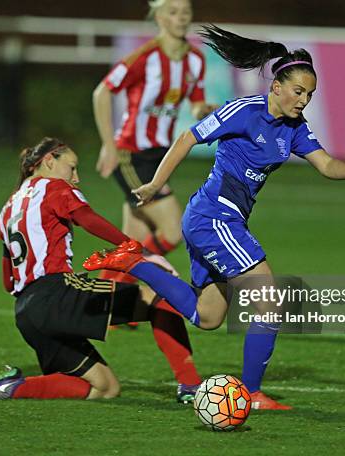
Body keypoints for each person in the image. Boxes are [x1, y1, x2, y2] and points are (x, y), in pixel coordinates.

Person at [123, 25, 345, 410]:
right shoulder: (244, 111)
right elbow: (189, 137)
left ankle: (133, 262)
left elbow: (325, 166)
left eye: (309, 94)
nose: (303, 100)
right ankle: (251, 393)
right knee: (270, 303)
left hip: (222, 220)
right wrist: (156, 184)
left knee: (207, 316)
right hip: (213, 216)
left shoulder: (294, 130)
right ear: (276, 87)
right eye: (298, 91)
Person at [0, 138, 203, 402]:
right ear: (49, 161)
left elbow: (8, 282)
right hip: (55, 293)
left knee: (105, 388)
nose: (76, 178)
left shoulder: (7, 209)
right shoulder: (54, 187)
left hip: (26, 313)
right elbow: (88, 220)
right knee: (161, 300)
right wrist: (141, 251)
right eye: (72, 168)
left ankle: (12, 388)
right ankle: (191, 387)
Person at [92, 0, 215, 398]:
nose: (182, 17)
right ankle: (117, 277)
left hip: (158, 157)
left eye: (186, 11)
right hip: (131, 153)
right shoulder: (144, 58)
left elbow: (195, 102)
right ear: (160, 17)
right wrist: (109, 145)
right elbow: (102, 92)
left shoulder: (195, 59)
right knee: (172, 230)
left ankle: (108, 301)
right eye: (174, 11)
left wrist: (205, 109)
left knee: (134, 241)